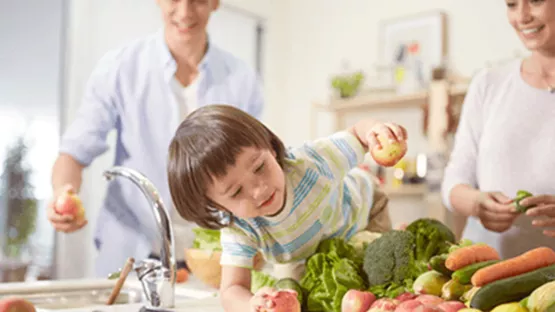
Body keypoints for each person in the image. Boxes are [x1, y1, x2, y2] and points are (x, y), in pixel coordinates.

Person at [46, 0, 264, 277]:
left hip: (210, 257)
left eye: (197, 0)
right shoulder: (120, 67)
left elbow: (252, 167)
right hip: (129, 252)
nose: (184, 12)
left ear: (215, 3)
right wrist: (63, 193)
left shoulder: (242, 80)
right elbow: (74, 153)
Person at [166, 104, 406, 311]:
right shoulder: (239, 228)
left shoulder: (311, 162)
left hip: (364, 212)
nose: (258, 190)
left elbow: (359, 132)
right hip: (310, 252)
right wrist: (251, 305)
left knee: (381, 286)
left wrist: (376, 131)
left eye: (260, 167)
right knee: (295, 297)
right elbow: (231, 290)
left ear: (270, 148)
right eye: (236, 192)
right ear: (217, 205)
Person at [441, 0, 555, 259]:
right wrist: (476, 204)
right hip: (483, 272)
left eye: (535, 1)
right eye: (512, 4)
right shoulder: (489, 83)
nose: (522, 16)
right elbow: (454, 180)